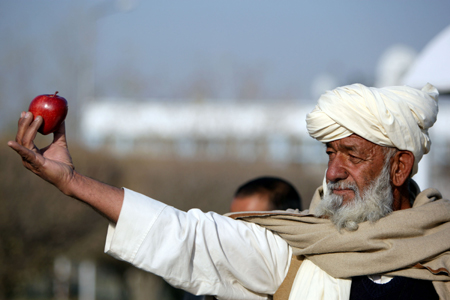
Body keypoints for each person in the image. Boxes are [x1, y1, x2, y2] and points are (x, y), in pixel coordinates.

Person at [8, 83, 450, 299]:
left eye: (352, 155)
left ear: (400, 168)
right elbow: (188, 237)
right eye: (330, 153)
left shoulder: (441, 250)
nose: (334, 171)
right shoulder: (298, 250)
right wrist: (72, 182)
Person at [183, 176, 302, 300]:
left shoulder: (310, 282)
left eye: (249, 226)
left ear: (285, 226)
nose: (236, 232)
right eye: (230, 221)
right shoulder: (203, 287)